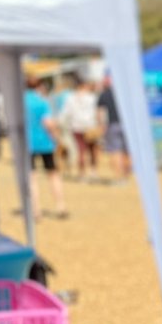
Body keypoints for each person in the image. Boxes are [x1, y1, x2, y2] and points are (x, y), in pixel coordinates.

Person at [24, 77, 69, 219]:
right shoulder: (41, 102)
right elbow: (48, 123)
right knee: (53, 174)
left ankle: (35, 209)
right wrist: (58, 138)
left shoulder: (19, 103)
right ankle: (60, 205)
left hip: (26, 143)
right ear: (39, 86)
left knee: (31, 177)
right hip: (45, 143)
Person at [59, 75, 101, 180]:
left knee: (81, 150)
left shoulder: (71, 98)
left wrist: (61, 124)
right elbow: (97, 112)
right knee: (93, 150)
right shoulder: (91, 97)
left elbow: (66, 113)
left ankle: (82, 173)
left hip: (76, 126)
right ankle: (93, 171)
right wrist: (100, 124)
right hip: (90, 126)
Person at [96, 74, 131, 183]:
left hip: (112, 125)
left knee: (115, 151)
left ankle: (119, 176)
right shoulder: (126, 93)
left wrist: (101, 125)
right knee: (127, 150)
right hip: (127, 125)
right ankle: (126, 174)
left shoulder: (104, 94)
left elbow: (100, 112)